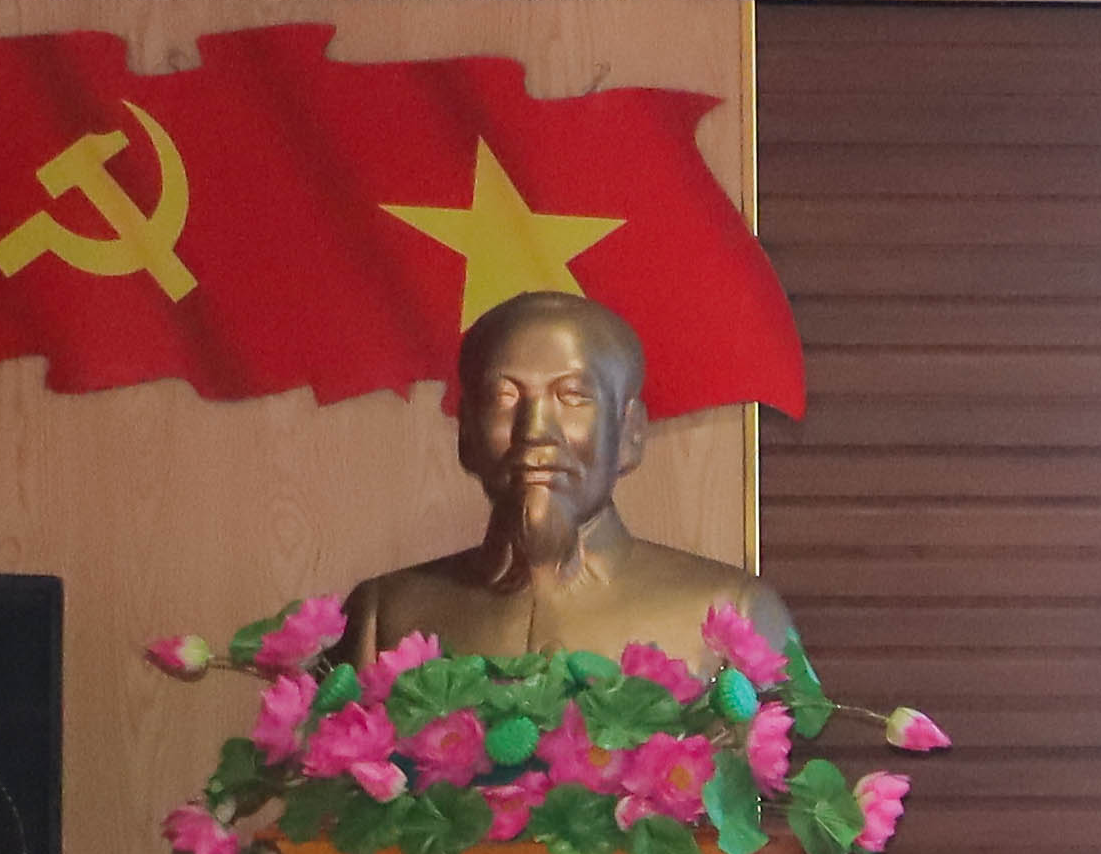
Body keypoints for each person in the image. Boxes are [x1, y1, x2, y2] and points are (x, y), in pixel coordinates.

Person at [341, 286, 802, 670]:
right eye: (504, 398)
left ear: (629, 432)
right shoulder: (385, 616)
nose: (535, 430)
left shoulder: (733, 615)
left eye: (572, 396)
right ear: (466, 432)